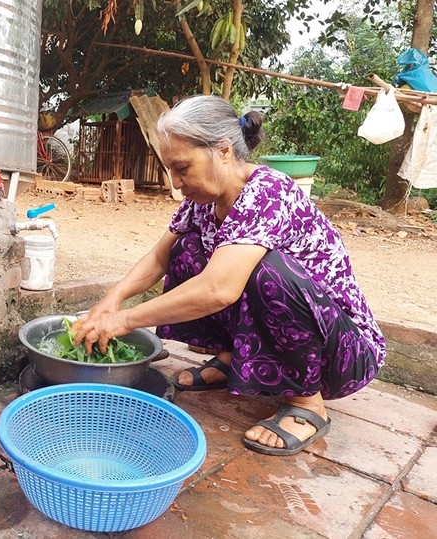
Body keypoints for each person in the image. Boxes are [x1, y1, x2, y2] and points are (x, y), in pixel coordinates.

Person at [72, 95, 386, 457]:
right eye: (170, 169)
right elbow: (161, 256)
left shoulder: (269, 192)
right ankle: (231, 358)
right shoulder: (202, 200)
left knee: (265, 272)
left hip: (342, 355)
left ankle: (306, 403)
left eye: (183, 167)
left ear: (222, 150)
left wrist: (124, 321)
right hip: (308, 338)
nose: (176, 183)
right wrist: (113, 298)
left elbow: (219, 289)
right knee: (186, 249)